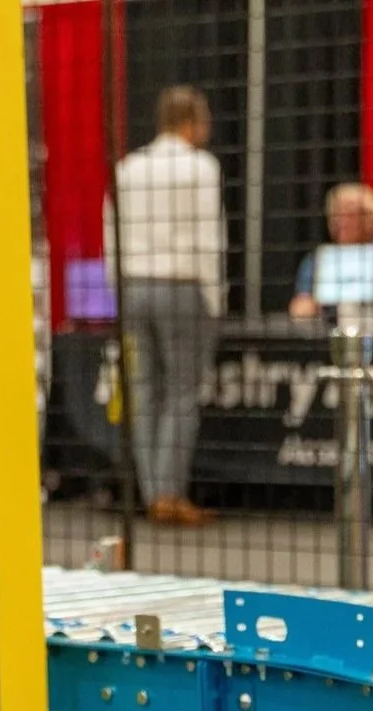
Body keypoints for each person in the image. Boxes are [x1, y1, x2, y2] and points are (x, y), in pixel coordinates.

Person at [111, 85, 226, 526]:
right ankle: (168, 493)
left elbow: (111, 227)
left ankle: (149, 490)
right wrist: (214, 297)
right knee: (182, 389)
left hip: (133, 284)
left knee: (143, 390)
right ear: (192, 121)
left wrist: (116, 286)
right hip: (181, 282)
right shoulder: (199, 167)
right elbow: (209, 235)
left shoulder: (129, 168)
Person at [288, 182, 373, 334]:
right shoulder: (318, 260)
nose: (342, 222)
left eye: (351, 214)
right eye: (336, 214)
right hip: (336, 340)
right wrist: (307, 308)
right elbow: (301, 306)